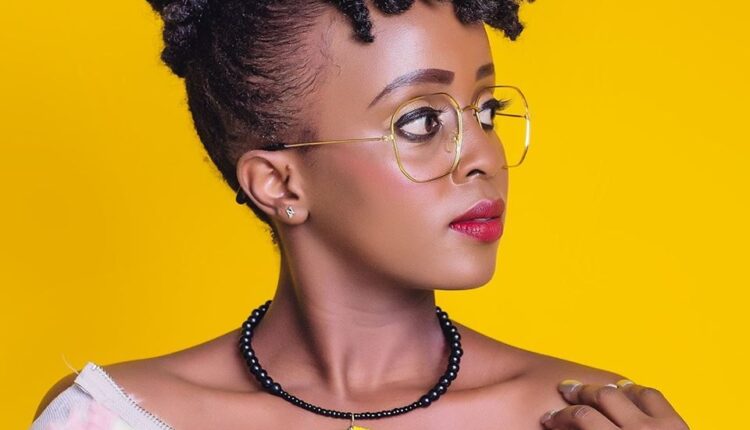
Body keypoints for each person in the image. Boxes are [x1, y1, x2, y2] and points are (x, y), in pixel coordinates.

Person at [31, 1, 689, 429]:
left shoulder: (590, 415)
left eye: (486, 111)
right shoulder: (111, 419)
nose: (484, 156)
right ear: (278, 183)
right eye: (422, 121)